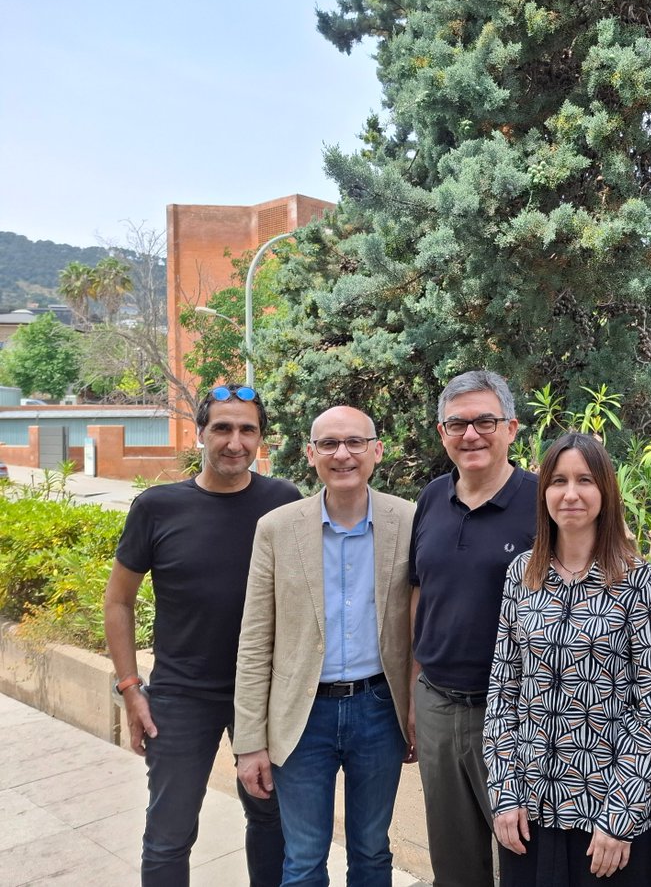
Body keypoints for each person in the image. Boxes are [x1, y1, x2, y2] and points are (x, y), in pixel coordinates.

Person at [103, 384, 301, 886]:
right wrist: (130, 689)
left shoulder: (284, 501)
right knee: (169, 835)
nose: (234, 441)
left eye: (247, 429)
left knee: (271, 820)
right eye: (222, 429)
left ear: (261, 439)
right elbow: (117, 601)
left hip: (262, 692)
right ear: (200, 435)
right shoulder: (158, 507)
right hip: (180, 695)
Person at [233, 405, 416, 886]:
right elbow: (255, 640)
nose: (343, 454)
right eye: (329, 444)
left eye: (355, 442)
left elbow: (423, 629)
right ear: (311, 454)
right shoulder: (276, 528)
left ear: (377, 450)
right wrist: (248, 741)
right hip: (301, 714)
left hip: (379, 711)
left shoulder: (410, 522)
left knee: (373, 852)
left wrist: (416, 712)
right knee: (303, 858)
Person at [484, 431, 651, 885]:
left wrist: (619, 817)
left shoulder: (636, 580)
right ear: (543, 491)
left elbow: (649, 709)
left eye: (584, 480)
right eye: (558, 481)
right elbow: (502, 695)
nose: (570, 494)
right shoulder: (521, 575)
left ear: (605, 490)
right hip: (528, 813)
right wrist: (505, 796)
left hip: (605, 822)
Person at [409, 370, 538, 887]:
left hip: (516, 713)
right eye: (457, 424)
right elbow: (419, 594)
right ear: (442, 434)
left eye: (485, 421)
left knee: (526, 855)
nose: (471, 435)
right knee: (454, 863)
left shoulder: (545, 501)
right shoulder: (432, 499)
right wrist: (413, 693)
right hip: (438, 704)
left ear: (511, 427)